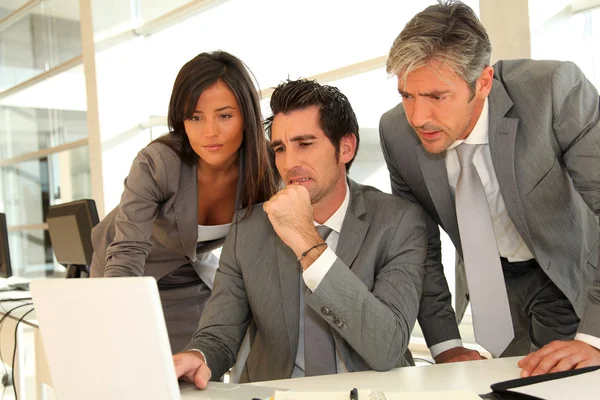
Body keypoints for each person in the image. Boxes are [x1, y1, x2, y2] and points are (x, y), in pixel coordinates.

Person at [379, 0, 600, 377]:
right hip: (492, 294)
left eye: (437, 96)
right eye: (407, 94)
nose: (418, 117)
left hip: (573, 277)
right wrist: (446, 344)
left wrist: (595, 339)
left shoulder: (554, 90)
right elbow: (418, 244)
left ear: (482, 83)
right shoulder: (395, 132)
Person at [172, 79, 428, 387]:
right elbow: (219, 335)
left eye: (305, 144)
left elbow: (386, 348)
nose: (290, 163)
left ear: (345, 147)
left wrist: (306, 241)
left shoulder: (398, 221)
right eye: (280, 148)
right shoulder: (249, 229)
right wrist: (198, 357)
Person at [90, 51, 278, 353]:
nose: (210, 132)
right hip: (127, 276)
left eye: (225, 115)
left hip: (191, 278)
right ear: (182, 120)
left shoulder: (266, 166)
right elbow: (128, 253)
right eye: (195, 117)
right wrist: (116, 319)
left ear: (247, 116)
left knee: (193, 377)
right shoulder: (157, 162)